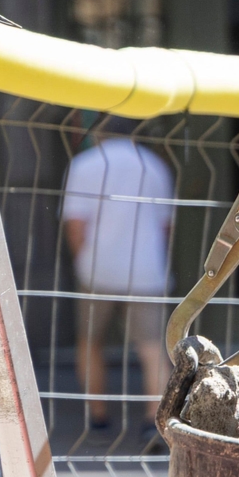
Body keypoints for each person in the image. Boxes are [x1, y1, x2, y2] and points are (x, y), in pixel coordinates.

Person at [61, 134, 175, 434]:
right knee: (152, 346)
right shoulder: (154, 165)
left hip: (98, 268)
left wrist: (82, 263)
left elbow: (76, 224)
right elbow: (166, 226)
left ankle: (98, 416)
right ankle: (155, 419)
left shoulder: (85, 164)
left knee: (90, 341)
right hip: (146, 269)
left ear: (98, 132)